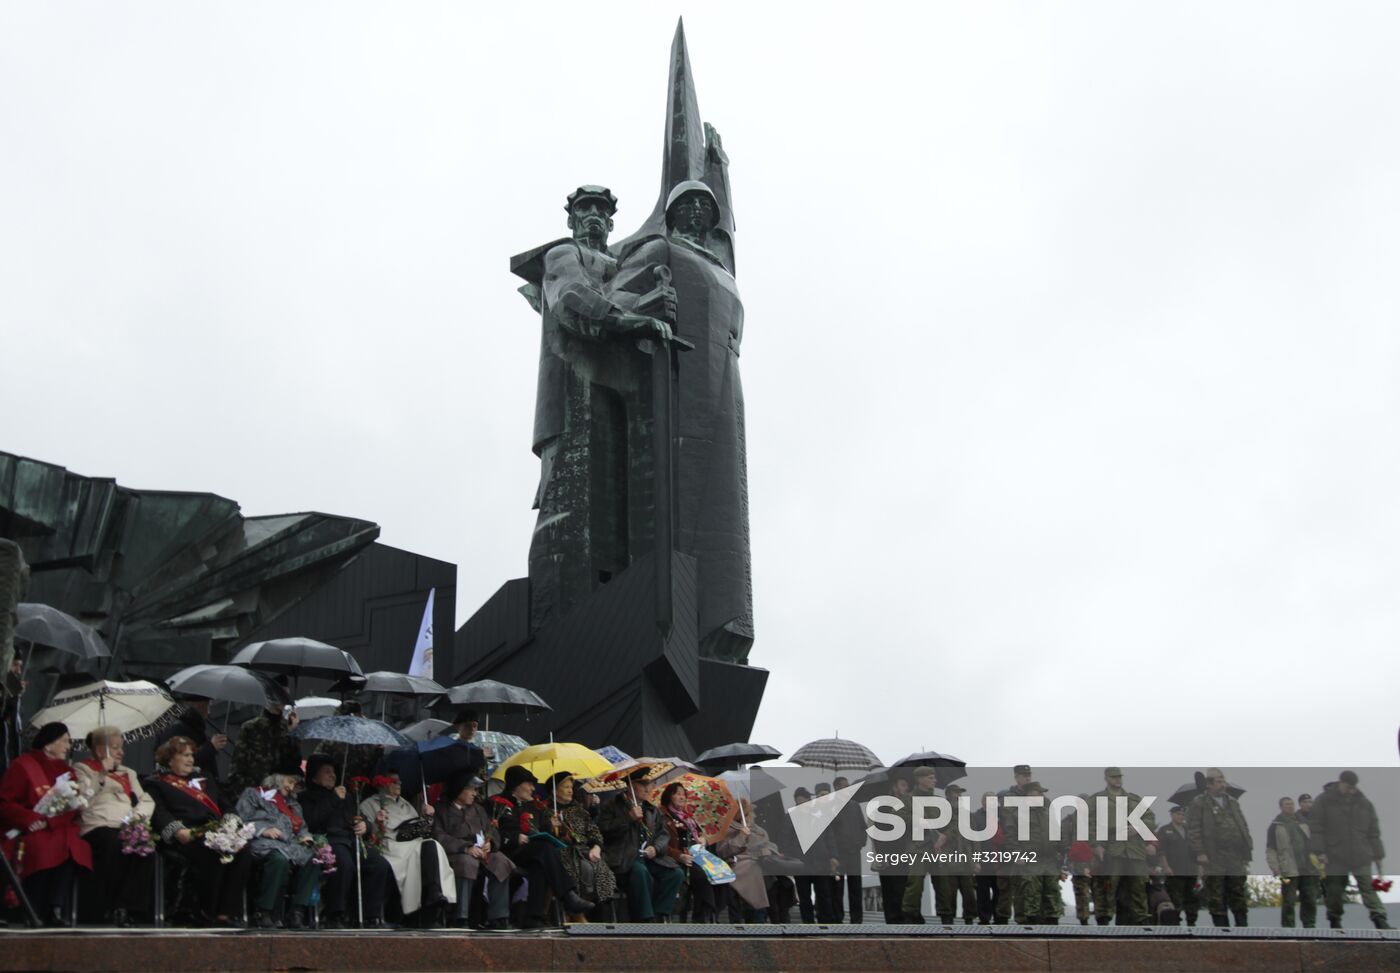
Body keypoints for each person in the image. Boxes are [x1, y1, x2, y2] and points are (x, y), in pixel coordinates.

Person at [145, 735, 253, 927]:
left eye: (191, 755)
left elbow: (226, 806)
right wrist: (179, 831)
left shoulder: (205, 779)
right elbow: (159, 812)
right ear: (170, 759)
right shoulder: (156, 782)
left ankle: (225, 913)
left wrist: (230, 826)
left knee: (244, 851)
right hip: (187, 833)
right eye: (184, 755)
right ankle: (205, 911)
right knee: (210, 852)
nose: (190, 759)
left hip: (216, 830)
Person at [0, 722, 93, 925]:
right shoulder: (23, 765)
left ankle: (55, 908)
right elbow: (5, 803)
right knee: (44, 847)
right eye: (65, 741)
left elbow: (72, 807)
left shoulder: (68, 772)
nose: (68, 747)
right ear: (48, 744)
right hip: (26, 828)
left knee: (74, 847)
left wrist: (50, 822)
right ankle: (33, 908)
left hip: (58, 828)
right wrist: (31, 819)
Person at [487, 765, 593, 927]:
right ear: (517, 784)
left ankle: (534, 917)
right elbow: (490, 830)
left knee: (540, 862)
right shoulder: (497, 803)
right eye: (529, 784)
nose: (532, 788)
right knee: (544, 849)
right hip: (506, 851)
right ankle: (568, 897)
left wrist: (551, 827)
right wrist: (516, 837)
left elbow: (540, 830)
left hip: (532, 851)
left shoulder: (533, 807)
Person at [74, 726, 156, 926]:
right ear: (101, 750)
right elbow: (82, 800)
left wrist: (136, 821)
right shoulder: (82, 769)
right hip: (98, 825)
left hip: (127, 824)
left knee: (145, 848)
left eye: (121, 747)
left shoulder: (128, 772)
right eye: (116, 747)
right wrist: (101, 774)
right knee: (112, 844)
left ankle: (127, 909)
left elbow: (146, 801)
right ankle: (102, 908)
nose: (122, 752)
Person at [300, 755, 393, 928]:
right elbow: (312, 820)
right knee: (345, 864)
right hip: (327, 841)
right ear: (314, 776)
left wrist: (367, 826)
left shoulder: (347, 797)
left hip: (352, 841)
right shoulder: (307, 797)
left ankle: (369, 915)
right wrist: (333, 798)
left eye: (334, 772)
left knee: (379, 864)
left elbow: (361, 817)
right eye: (327, 772)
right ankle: (334, 913)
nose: (333, 775)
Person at [359, 771, 455, 923]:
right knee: (423, 851)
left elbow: (417, 827)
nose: (399, 784)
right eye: (394, 781)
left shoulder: (406, 804)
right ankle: (432, 894)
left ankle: (434, 892)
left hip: (413, 843)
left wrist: (426, 817)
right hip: (392, 846)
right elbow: (368, 835)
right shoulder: (369, 804)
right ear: (384, 783)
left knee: (432, 845)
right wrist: (378, 824)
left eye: (399, 781)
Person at [597, 768, 683, 922]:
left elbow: (663, 834)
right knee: (641, 872)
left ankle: (659, 912)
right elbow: (604, 831)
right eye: (643, 784)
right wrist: (628, 818)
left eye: (649, 784)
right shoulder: (611, 806)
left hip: (651, 858)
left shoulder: (651, 809)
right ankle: (645, 917)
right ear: (630, 786)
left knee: (675, 874)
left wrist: (655, 848)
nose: (647, 788)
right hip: (625, 858)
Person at [1309, 770, 1390, 930]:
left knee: (1368, 888)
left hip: (1361, 854)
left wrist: (1378, 854)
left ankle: (1380, 919)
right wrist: (1320, 852)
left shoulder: (1364, 803)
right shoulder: (1323, 801)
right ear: (1340, 783)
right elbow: (1317, 828)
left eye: (1353, 788)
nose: (1351, 791)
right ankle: (1335, 919)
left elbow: (1373, 831)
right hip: (1335, 855)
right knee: (1334, 891)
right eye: (1348, 787)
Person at [434, 775, 511, 928]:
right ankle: (460, 916)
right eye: (470, 789)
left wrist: (490, 842)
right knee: (466, 863)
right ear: (458, 790)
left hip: (482, 851)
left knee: (500, 861)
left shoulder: (478, 809)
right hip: (457, 853)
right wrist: (465, 847)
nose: (474, 793)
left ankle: (499, 916)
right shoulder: (442, 810)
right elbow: (439, 836)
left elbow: (492, 830)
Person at [1088, 767, 1157, 925]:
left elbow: (1150, 818)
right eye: (1114, 777)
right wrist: (1096, 845)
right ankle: (1104, 919)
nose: (1117, 780)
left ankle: (1141, 920)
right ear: (1106, 778)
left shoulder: (1133, 799)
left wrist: (1138, 828)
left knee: (1139, 886)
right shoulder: (1097, 800)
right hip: (1112, 849)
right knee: (1109, 886)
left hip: (1135, 850)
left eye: (1119, 777)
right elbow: (1088, 823)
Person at [545, 773, 617, 920]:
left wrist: (596, 847)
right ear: (554, 790)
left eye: (571, 787)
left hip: (585, 850)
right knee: (583, 868)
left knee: (601, 869)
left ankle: (594, 913)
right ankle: (577, 913)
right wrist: (551, 827)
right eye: (566, 787)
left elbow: (594, 831)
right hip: (563, 852)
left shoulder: (580, 810)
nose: (570, 790)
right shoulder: (546, 811)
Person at [1186, 768, 1252, 927]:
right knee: (1216, 895)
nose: (1223, 785)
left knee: (1238, 892)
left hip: (1235, 855)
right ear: (1209, 784)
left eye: (1223, 781)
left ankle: (1243, 930)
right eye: (1219, 782)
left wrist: (1246, 847)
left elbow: (1242, 824)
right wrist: (1200, 852)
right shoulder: (1199, 802)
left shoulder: (1232, 801)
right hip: (1214, 856)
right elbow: (1193, 829)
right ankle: (1222, 931)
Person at [659, 780, 726, 923]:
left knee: (722, 873)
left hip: (698, 855)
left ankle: (712, 911)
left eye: (684, 794)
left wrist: (703, 839)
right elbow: (663, 844)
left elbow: (700, 835)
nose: (682, 797)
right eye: (677, 794)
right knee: (702, 875)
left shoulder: (689, 817)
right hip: (679, 858)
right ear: (669, 796)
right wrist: (679, 856)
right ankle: (703, 918)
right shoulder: (663, 816)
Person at [1014, 781, 1066, 924]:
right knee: (1031, 894)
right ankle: (1033, 926)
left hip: (1050, 860)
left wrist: (1062, 853)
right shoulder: (1020, 815)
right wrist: (1017, 853)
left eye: (1041, 794)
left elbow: (1058, 834)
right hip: (1031, 860)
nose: (1042, 796)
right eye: (1039, 793)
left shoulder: (1047, 813)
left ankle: (1053, 925)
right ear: (1030, 795)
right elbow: (1011, 837)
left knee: (1052, 892)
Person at [715, 798, 772, 922]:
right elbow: (723, 851)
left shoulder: (758, 830)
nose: (754, 815)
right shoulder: (727, 828)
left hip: (760, 867)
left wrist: (764, 853)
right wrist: (741, 837)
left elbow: (768, 846)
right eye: (749, 813)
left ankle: (761, 917)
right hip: (738, 866)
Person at [1266, 796, 1318, 929]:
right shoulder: (1275, 826)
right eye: (1286, 804)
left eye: (1291, 804)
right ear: (1281, 807)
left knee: (1310, 899)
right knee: (1289, 901)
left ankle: (1310, 927)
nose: (1290, 806)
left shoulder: (1303, 822)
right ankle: (1288, 929)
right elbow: (1271, 850)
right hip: (1288, 870)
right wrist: (1275, 868)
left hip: (1307, 868)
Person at [229, 702, 301, 797]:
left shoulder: (286, 728)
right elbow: (237, 764)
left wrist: (292, 733)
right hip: (251, 790)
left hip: (278, 793)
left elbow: (294, 763)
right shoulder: (251, 727)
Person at [933, 783, 979, 925]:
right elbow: (935, 834)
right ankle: (948, 922)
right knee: (948, 893)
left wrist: (977, 860)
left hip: (966, 859)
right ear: (948, 794)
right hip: (948, 859)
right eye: (955, 793)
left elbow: (975, 839)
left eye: (960, 793)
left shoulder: (968, 815)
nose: (958, 796)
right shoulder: (940, 813)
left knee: (969, 893)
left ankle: (969, 920)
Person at [871, 772, 912, 923]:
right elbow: (877, 834)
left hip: (906, 854)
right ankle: (893, 923)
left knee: (904, 890)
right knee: (891, 890)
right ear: (894, 787)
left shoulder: (908, 806)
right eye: (903, 785)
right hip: (889, 855)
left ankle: (903, 921)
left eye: (907, 786)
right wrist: (882, 856)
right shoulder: (884, 807)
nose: (906, 788)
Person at [155, 697, 228, 780]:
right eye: (208, 704)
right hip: (184, 785)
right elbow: (179, 759)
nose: (209, 710)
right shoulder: (178, 728)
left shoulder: (193, 726)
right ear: (200, 705)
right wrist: (211, 746)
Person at [827, 775, 864, 923]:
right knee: (837, 888)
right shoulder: (830, 806)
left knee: (856, 887)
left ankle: (857, 920)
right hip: (838, 854)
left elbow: (863, 827)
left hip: (854, 853)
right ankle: (838, 919)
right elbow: (828, 831)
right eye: (844, 786)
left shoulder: (855, 805)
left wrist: (860, 842)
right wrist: (833, 853)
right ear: (836, 788)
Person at [1156, 805, 1199, 926]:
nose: (1181, 817)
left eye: (1182, 815)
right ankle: (1175, 925)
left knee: (1192, 900)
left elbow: (1197, 850)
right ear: (1172, 815)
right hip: (1174, 871)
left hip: (1190, 870)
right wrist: (1166, 867)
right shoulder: (1165, 830)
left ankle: (1192, 924)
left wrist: (1200, 868)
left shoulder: (1189, 830)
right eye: (1178, 814)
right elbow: (1161, 851)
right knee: (1176, 900)